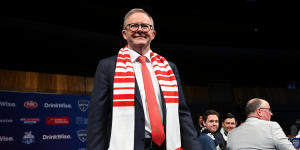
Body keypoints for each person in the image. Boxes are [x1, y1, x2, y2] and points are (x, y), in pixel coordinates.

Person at [87, 8, 202, 150]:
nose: (139, 30)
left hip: (166, 146)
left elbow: (182, 113)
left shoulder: (169, 67)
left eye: (145, 26)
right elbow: (97, 119)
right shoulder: (107, 67)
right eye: (133, 25)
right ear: (124, 33)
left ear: (153, 34)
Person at [227, 98, 295, 150]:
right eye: (269, 110)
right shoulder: (272, 126)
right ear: (259, 112)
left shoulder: (231, 134)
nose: (271, 113)